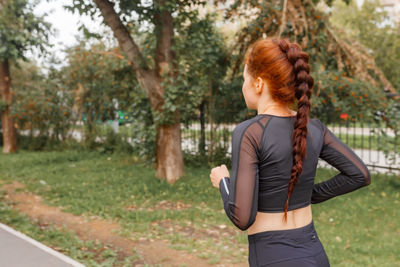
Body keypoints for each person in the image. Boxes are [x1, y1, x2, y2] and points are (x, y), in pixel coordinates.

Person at [209, 37, 371, 267]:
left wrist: (223, 182)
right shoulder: (313, 128)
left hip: (274, 256)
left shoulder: (251, 132)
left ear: (258, 84)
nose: (242, 86)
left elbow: (242, 217)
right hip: (315, 252)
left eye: (244, 79)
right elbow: (359, 174)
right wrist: (308, 195)